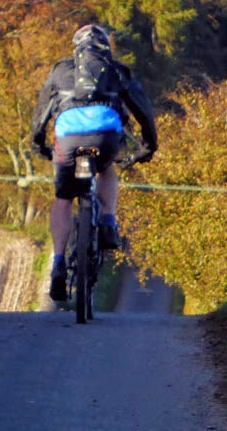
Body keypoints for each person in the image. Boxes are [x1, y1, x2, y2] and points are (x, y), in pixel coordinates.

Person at [30, 24, 158, 302]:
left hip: (67, 141)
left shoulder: (61, 70)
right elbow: (143, 111)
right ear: (105, 47)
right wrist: (149, 146)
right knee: (107, 169)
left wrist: (38, 143)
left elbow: (42, 111)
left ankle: (58, 263)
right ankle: (109, 221)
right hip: (105, 139)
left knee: (63, 199)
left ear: (76, 48)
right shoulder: (116, 70)